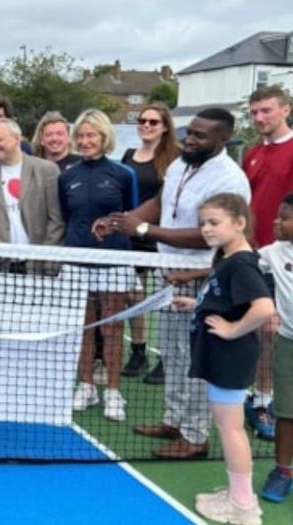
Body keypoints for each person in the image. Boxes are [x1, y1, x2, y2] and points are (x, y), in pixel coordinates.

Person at [96, 107, 252, 459]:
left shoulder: (230, 178)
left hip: (202, 276)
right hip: (167, 269)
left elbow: (210, 235)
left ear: (222, 139)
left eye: (200, 135)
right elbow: (158, 202)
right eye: (189, 132)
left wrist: (145, 231)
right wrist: (125, 219)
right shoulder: (181, 164)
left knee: (195, 358)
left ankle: (196, 436)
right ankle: (175, 420)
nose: (190, 139)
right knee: (173, 353)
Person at [172, 193, 273, 525]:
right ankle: (236, 494)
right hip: (221, 356)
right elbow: (228, 299)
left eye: (214, 222)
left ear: (240, 223)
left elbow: (263, 308)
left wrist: (232, 330)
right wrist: (197, 306)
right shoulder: (227, 259)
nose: (206, 229)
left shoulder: (242, 262)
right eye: (203, 223)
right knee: (227, 426)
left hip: (230, 356)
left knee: (230, 429)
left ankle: (243, 506)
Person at [59, 109, 138, 422]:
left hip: (115, 260)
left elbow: (131, 216)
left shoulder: (122, 174)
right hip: (77, 259)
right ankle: (87, 385)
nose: (85, 141)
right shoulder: (67, 176)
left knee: (112, 327)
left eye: (91, 135)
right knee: (83, 328)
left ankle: (114, 393)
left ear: (104, 137)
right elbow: (68, 215)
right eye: (80, 136)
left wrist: (111, 224)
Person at [243, 86, 293, 440]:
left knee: (272, 331)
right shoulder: (252, 154)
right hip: (254, 255)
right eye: (255, 112)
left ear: (285, 110)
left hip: (284, 260)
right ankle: (257, 394)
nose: (260, 118)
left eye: (267, 111)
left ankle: (264, 399)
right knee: (257, 329)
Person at [120, 103, 181, 383]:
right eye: (142, 121)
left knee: (168, 298)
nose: (146, 125)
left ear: (165, 126)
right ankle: (138, 350)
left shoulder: (176, 159)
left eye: (153, 122)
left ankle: (168, 359)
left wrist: (149, 226)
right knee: (134, 295)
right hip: (133, 238)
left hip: (164, 238)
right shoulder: (129, 155)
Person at [0, 119, 63, 246]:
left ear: (17, 138)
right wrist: (3, 253)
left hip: (40, 260)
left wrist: (42, 255)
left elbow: (57, 220)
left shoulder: (47, 171)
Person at [259, 193, 293, 503]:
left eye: (284, 218)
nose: (276, 221)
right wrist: (190, 274)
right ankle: (283, 471)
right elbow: (238, 264)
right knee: (286, 413)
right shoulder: (271, 253)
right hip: (288, 343)